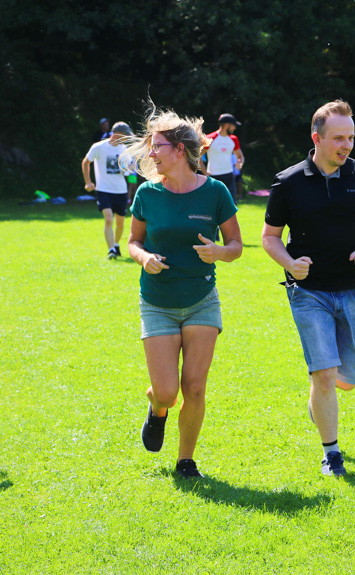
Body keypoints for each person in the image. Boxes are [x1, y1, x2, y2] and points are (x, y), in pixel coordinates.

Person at [262, 99, 355, 477]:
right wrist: (290, 263)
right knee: (326, 374)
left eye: (350, 138)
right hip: (308, 290)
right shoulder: (288, 183)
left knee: (345, 379)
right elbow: (269, 237)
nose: (346, 145)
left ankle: (319, 400)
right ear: (316, 138)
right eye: (338, 138)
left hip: (353, 289)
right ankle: (331, 453)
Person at [122, 105, 242, 478]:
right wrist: (144, 259)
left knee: (194, 386)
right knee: (167, 392)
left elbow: (236, 245)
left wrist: (219, 252)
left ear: (179, 151)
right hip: (156, 302)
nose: (151, 154)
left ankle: (185, 460)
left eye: (157, 146)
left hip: (202, 300)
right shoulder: (147, 193)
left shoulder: (216, 192)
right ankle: (157, 409)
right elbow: (132, 242)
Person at [82, 121, 133, 259]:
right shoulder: (99, 147)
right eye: (125, 135)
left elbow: (129, 171)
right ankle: (111, 250)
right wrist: (88, 182)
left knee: (121, 222)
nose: (127, 138)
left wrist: (132, 169)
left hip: (120, 190)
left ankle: (116, 244)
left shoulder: (124, 150)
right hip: (103, 190)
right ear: (117, 134)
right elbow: (86, 162)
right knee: (109, 219)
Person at [203, 113, 244, 203]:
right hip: (213, 177)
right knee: (214, 206)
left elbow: (240, 156)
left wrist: (239, 162)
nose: (235, 128)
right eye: (233, 126)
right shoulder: (210, 138)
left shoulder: (233, 139)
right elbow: (198, 157)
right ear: (226, 125)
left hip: (229, 176)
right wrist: (205, 172)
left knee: (231, 206)